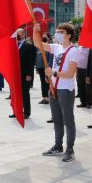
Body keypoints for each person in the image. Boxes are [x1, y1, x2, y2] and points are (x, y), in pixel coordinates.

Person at [37, 23, 79, 162]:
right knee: (57, 119)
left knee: (68, 120)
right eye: (57, 31)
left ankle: (70, 149)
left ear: (68, 35)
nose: (58, 34)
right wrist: (35, 31)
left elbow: (71, 73)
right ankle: (58, 146)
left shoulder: (73, 50)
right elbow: (39, 44)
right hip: (53, 88)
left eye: (61, 32)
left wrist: (54, 73)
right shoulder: (57, 47)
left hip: (65, 89)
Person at [9, 28, 36, 120]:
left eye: (19, 33)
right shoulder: (14, 45)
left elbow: (31, 62)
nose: (18, 35)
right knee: (15, 93)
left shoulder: (29, 45)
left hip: (24, 74)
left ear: (24, 34)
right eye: (17, 34)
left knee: (24, 94)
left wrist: (29, 74)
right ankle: (16, 111)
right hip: (15, 74)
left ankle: (27, 112)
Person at [36, 33, 53, 105]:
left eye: (45, 37)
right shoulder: (40, 46)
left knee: (47, 82)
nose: (43, 38)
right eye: (43, 37)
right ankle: (44, 97)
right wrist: (37, 67)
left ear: (49, 38)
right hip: (40, 67)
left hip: (46, 68)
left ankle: (48, 97)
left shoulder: (50, 47)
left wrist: (49, 68)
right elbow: (37, 58)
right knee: (43, 83)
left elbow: (50, 59)